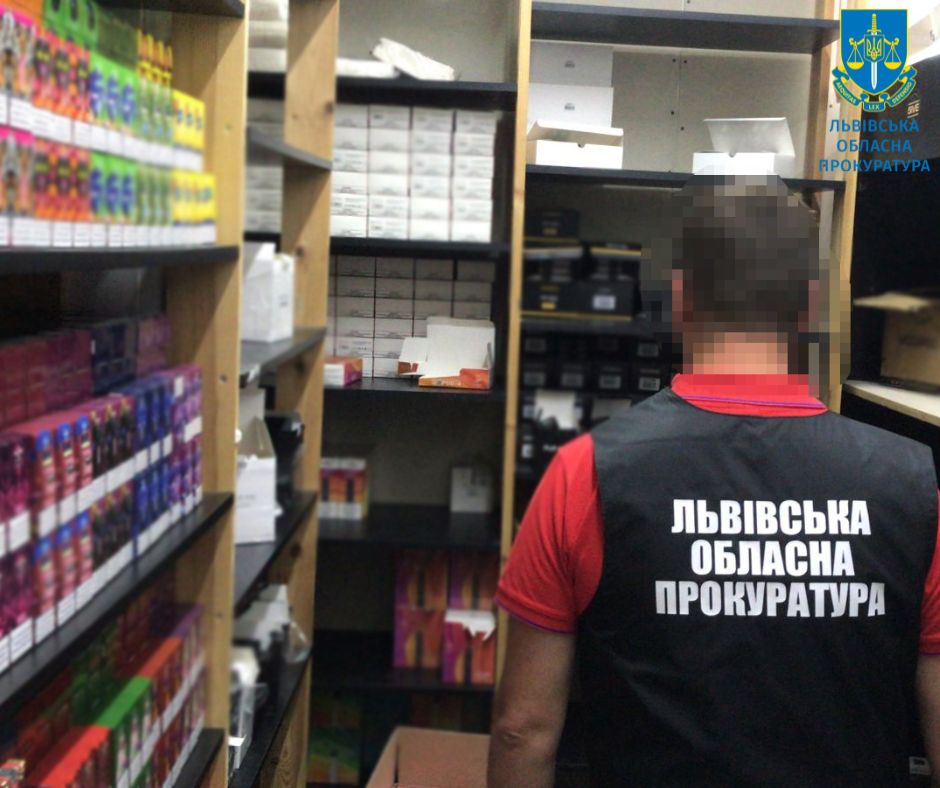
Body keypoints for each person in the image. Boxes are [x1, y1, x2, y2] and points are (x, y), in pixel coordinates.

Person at [488, 175, 940, 787]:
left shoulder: (585, 473)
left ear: (679, 298)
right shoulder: (914, 486)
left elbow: (523, 728)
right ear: (810, 306)